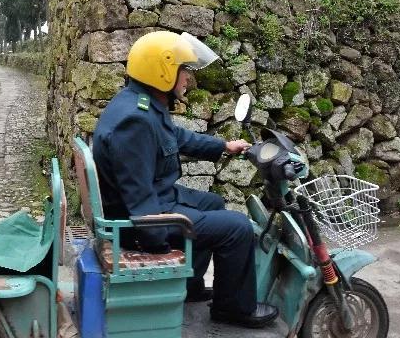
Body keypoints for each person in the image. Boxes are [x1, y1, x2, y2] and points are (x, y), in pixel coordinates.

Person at [92, 30, 278, 328]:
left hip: (155, 200)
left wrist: (222, 146)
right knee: (239, 227)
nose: (188, 79)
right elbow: (141, 204)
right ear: (163, 71)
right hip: (139, 225)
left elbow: (175, 136)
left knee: (214, 202)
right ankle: (232, 308)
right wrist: (161, 250)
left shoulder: (141, 104)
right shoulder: (135, 122)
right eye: (184, 71)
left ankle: (190, 287)